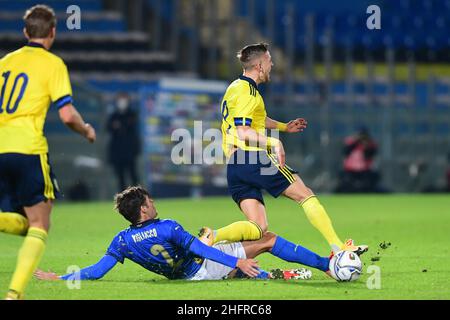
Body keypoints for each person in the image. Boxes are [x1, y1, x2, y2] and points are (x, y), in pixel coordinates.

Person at [200, 43, 367, 255]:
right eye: (270, 61)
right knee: (305, 195)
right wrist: (274, 142)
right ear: (260, 65)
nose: (272, 65)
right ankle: (339, 247)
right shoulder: (247, 92)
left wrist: (283, 127)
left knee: (259, 227)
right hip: (253, 158)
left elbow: (255, 120)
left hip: (235, 165)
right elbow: (243, 131)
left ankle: (213, 235)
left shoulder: (235, 87)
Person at [34, 186, 331, 283]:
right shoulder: (167, 226)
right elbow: (201, 252)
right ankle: (326, 265)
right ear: (143, 210)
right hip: (202, 266)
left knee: (223, 249)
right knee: (268, 240)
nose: (154, 203)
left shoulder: (121, 240)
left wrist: (60, 278)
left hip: (184, 276)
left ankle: (270, 276)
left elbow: (97, 271)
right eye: (149, 201)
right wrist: (236, 262)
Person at [0, 5, 96, 300]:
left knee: (24, 223)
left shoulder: (4, 63)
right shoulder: (53, 64)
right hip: (28, 149)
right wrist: (86, 130)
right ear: (52, 33)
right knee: (41, 224)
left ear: (25, 32)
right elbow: (67, 115)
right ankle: (14, 294)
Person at [106, 92, 140, 192]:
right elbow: (109, 127)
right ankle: (123, 198)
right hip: (117, 152)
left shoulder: (132, 114)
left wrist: (119, 125)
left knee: (133, 175)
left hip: (130, 151)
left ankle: (138, 195)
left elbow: (128, 125)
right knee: (120, 177)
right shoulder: (114, 115)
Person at [336, 127, 379, 193]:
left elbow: (370, 155)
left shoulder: (370, 144)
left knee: (370, 182)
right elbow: (346, 151)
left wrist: (366, 146)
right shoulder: (352, 142)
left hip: (365, 170)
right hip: (350, 170)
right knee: (345, 183)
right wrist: (356, 141)